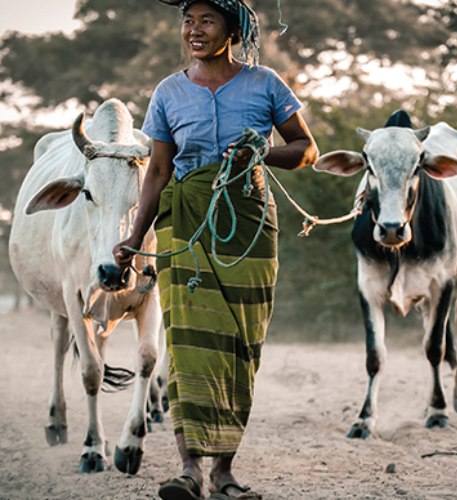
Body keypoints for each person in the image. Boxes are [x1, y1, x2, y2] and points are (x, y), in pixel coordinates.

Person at [113, 1, 318, 498]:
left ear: (233, 29)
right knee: (188, 345)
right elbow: (159, 172)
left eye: (207, 21)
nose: (194, 30)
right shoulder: (168, 91)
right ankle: (190, 470)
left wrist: (261, 151)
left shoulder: (266, 83)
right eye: (189, 21)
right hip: (185, 227)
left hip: (247, 225)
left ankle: (224, 472)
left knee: (239, 348)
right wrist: (134, 240)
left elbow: (305, 149)